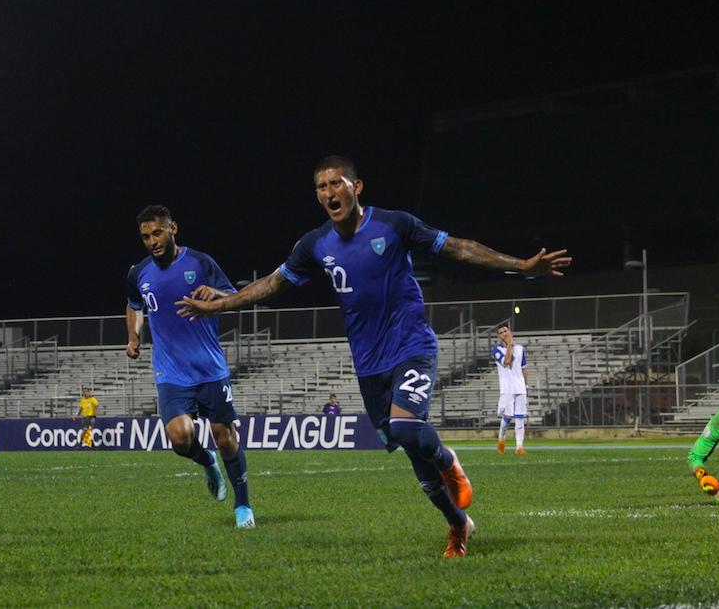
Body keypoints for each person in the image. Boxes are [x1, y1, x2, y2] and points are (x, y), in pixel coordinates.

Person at [176, 155, 571, 557]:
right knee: (409, 448)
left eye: (337, 183)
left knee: (405, 430)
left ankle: (450, 461)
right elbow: (273, 284)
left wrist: (520, 266)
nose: (330, 192)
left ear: (356, 186)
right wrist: (222, 305)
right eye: (322, 187)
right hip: (368, 365)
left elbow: (460, 249)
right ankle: (457, 524)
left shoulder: (394, 224)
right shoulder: (315, 244)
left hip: (412, 345)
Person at [125, 204, 254, 528]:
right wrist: (133, 336)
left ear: (173, 229)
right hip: (171, 372)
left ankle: (243, 507)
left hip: (209, 369)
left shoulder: (200, 262)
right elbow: (134, 305)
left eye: (157, 232)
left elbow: (234, 296)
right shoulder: (138, 273)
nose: (152, 241)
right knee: (180, 438)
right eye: (145, 236)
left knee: (225, 438)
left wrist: (217, 294)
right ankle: (206, 461)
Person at [492, 323, 528, 455]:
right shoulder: (496, 350)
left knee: (520, 417)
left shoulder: (520, 349)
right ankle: (501, 441)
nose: (504, 333)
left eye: (505, 331)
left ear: (510, 331)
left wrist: (526, 386)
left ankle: (519, 447)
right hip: (507, 389)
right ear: (499, 336)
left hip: (520, 387)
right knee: (507, 417)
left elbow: (524, 368)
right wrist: (509, 345)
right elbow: (507, 361)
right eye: (501, 332)